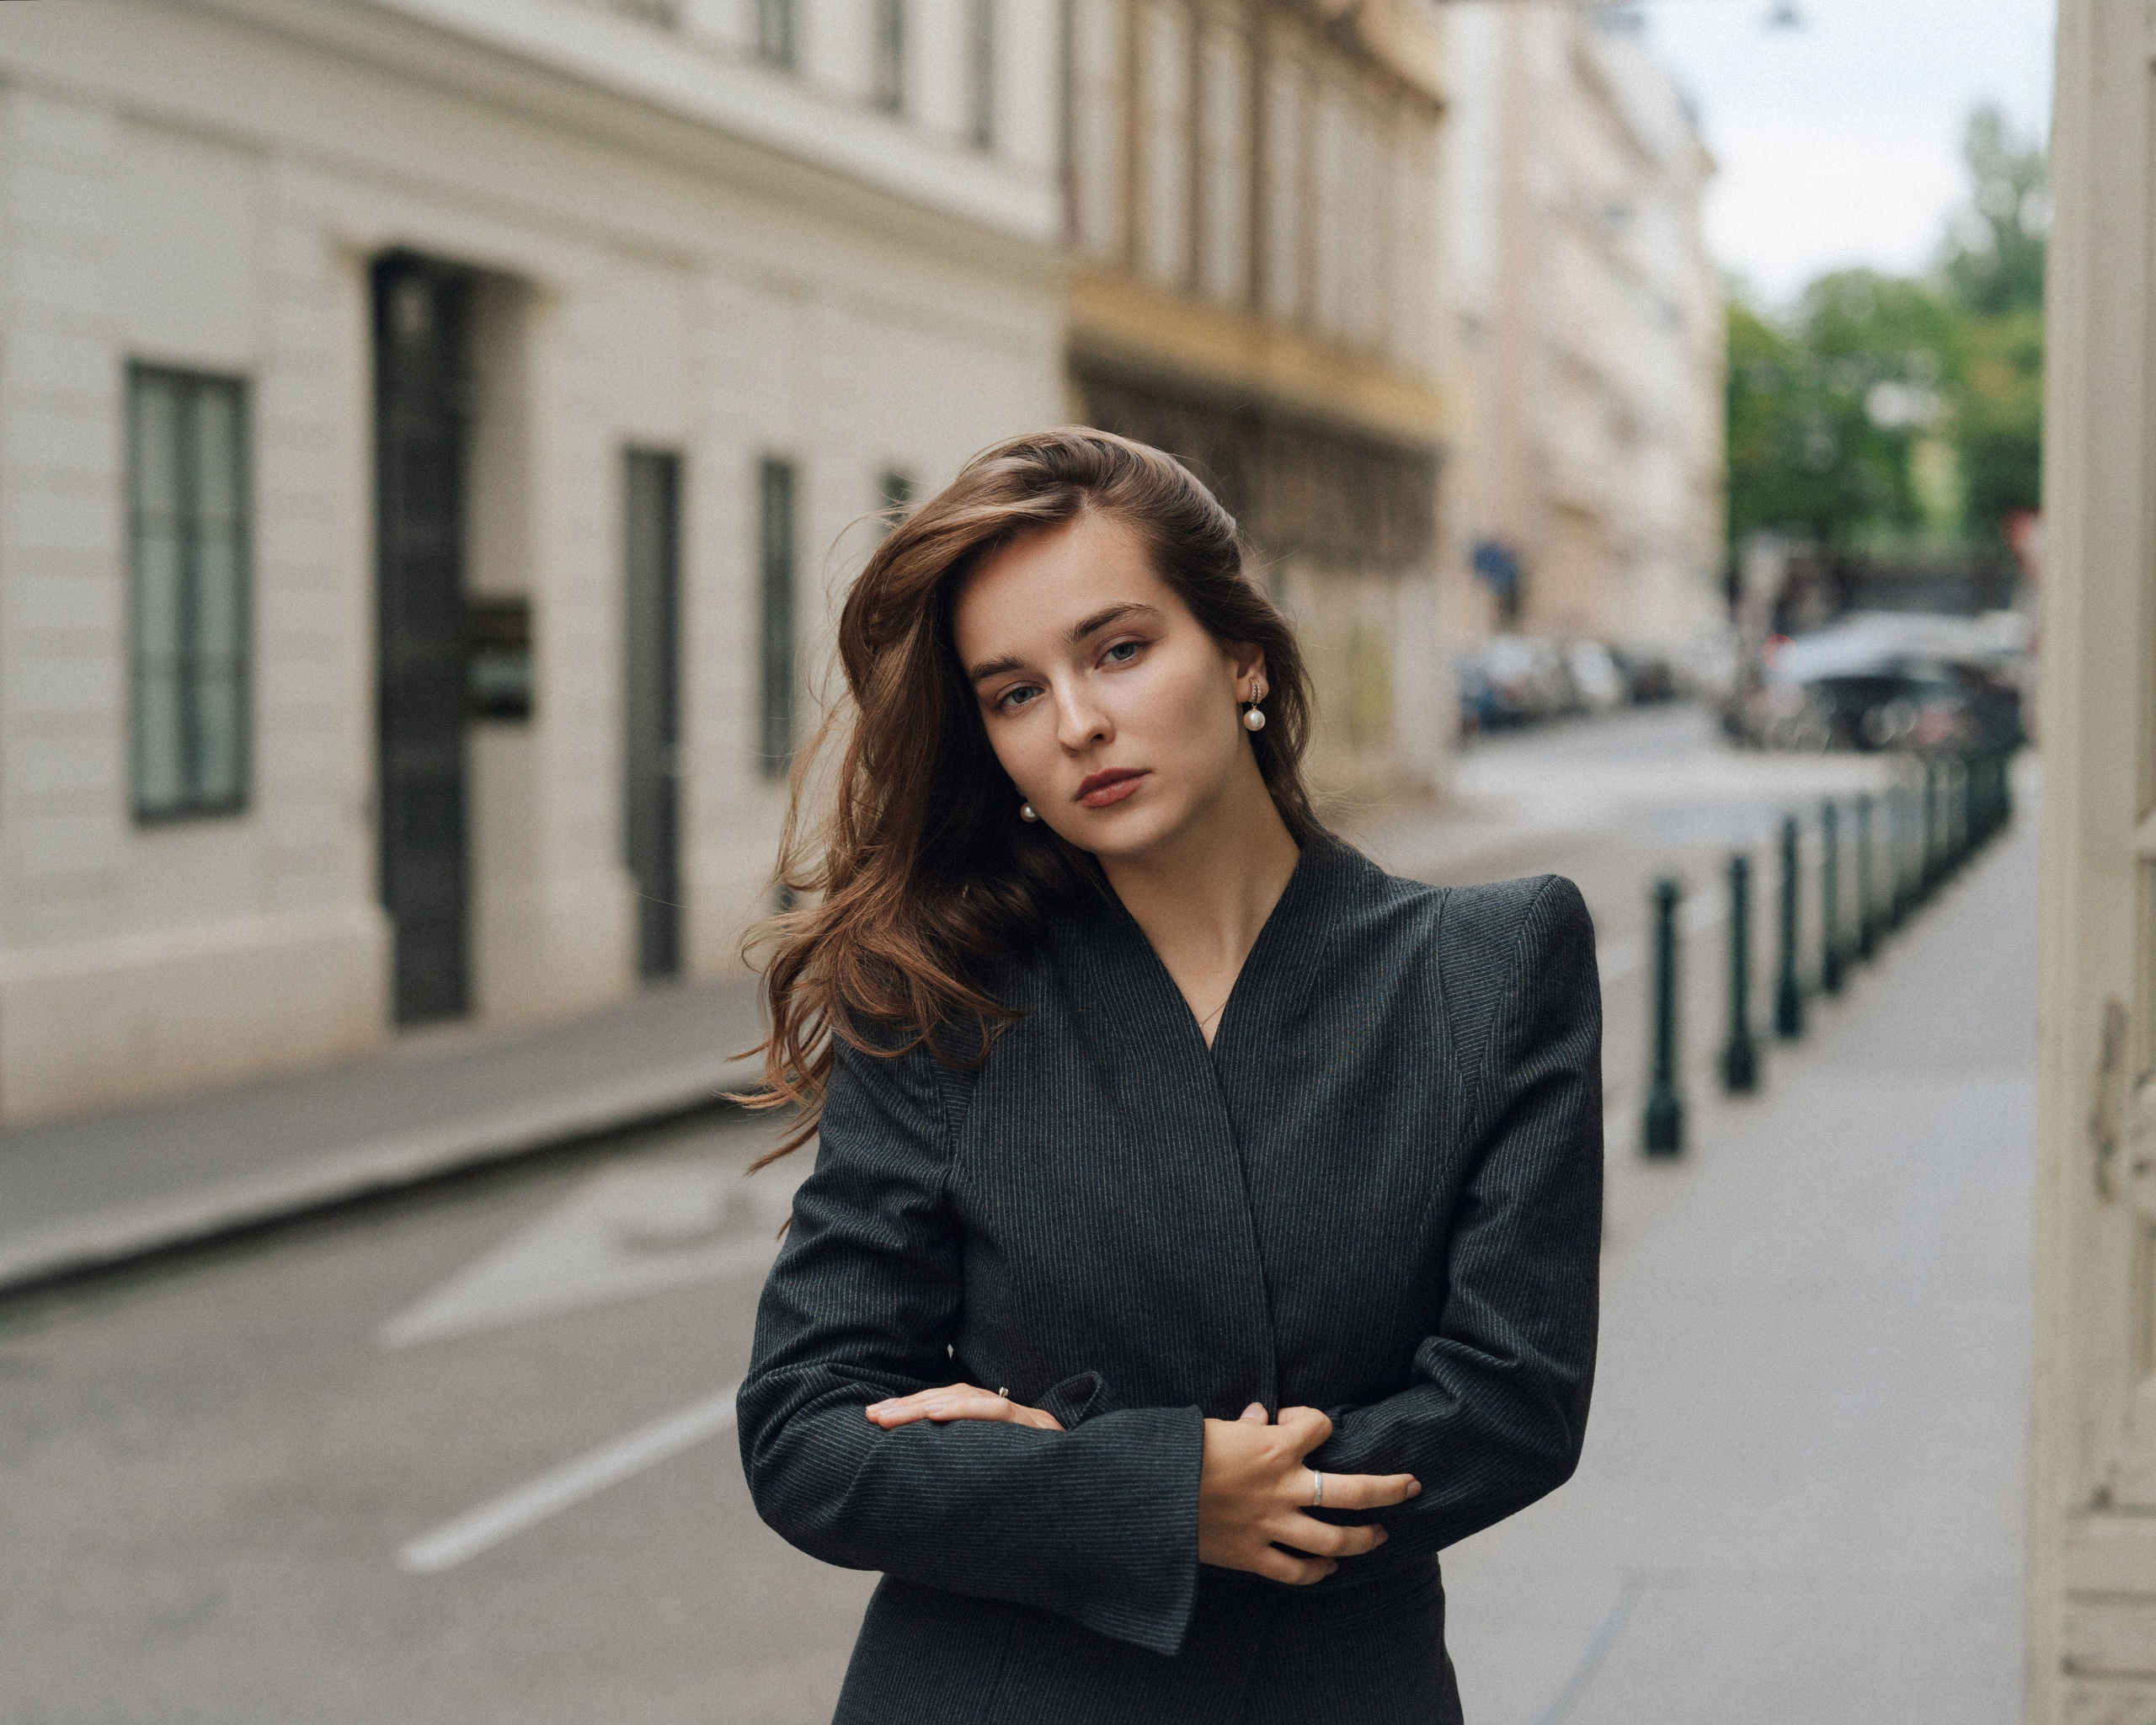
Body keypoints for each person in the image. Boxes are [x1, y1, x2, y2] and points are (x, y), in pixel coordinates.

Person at [735, 428, 1602, 1723]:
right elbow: (806, 1433)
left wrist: (1076, 1472)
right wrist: (1162, 1495)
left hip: (1334, 1690)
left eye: (1119, 650)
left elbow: (1511, 1400)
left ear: (1242, 653)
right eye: (1013, 692)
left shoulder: (1486, 968)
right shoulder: (936, 998)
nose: (1079, 723)